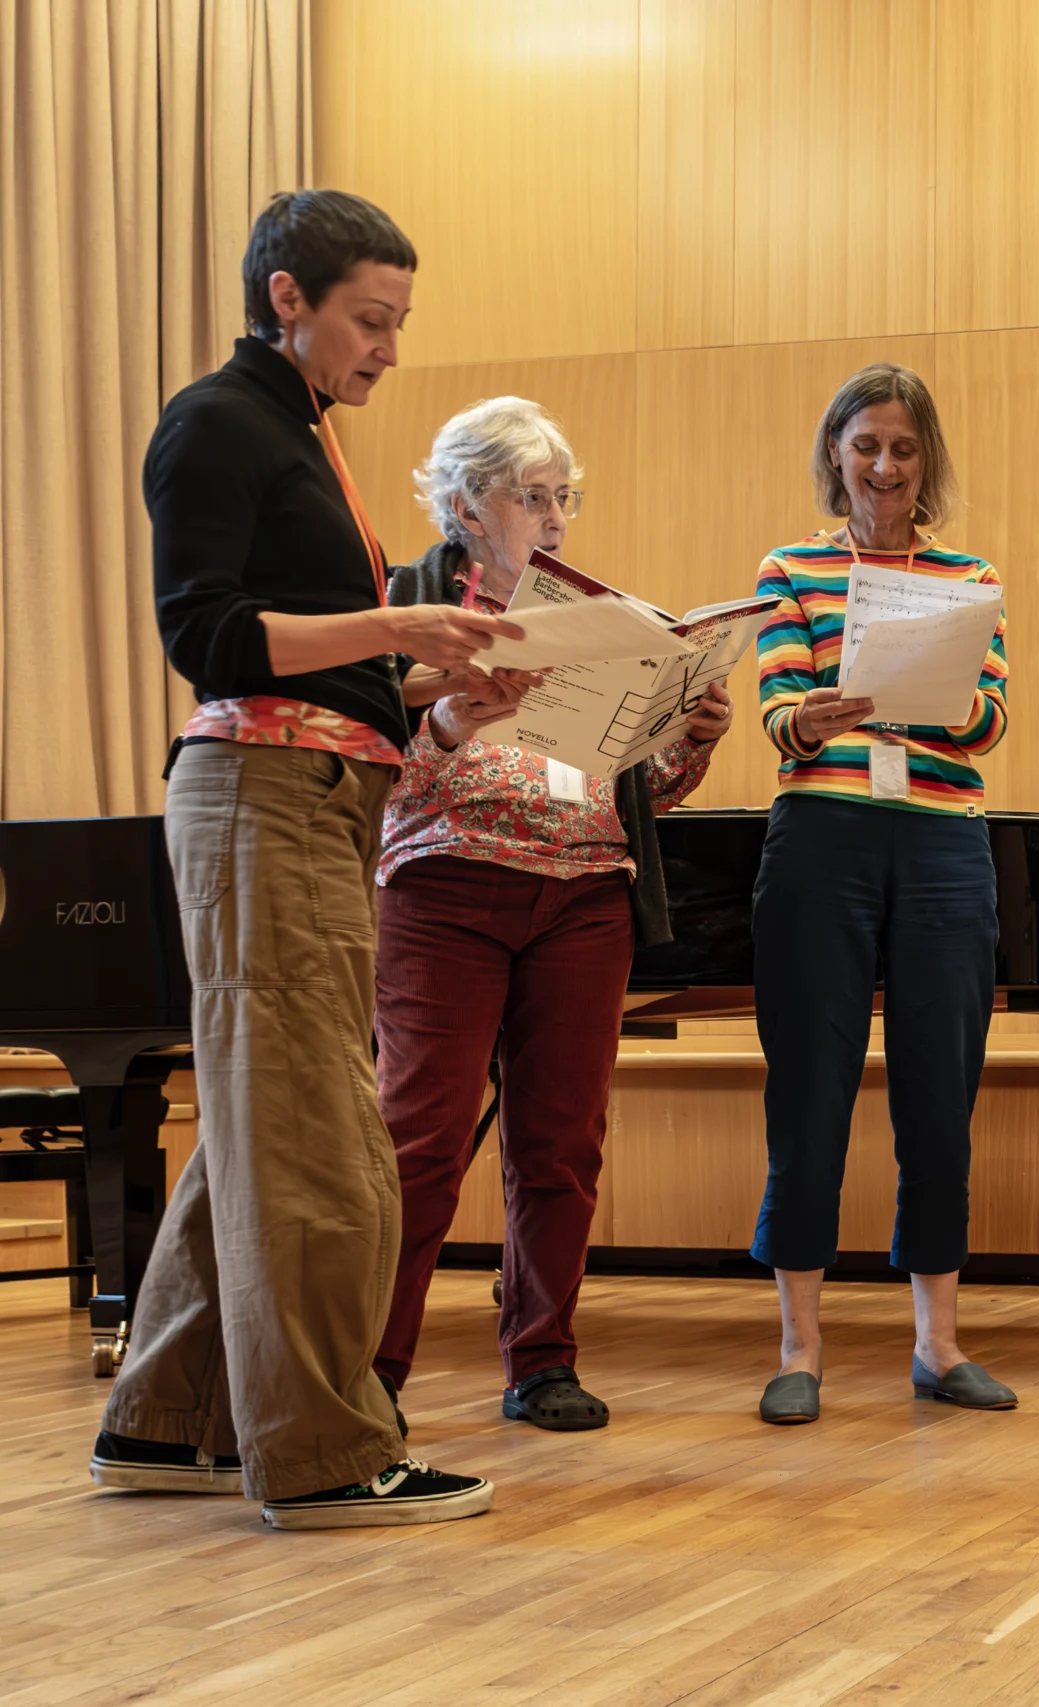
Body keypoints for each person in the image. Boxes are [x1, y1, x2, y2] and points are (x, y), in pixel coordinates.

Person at [91, 189, 511, 1529]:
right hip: (263, 789)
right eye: (368, 320)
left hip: (318, 791)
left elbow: (338, 662)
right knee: (319, 1129)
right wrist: (395, 622)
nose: (388, 347)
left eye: (397, 322)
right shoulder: (216, 422)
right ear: (289, 300)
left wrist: (434, 688)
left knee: (260, 1125)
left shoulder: (299, 436)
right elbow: (206, 633)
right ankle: (327, 1449)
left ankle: (164, 1421)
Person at [369, 398, 733, 1432]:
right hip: (443, 892)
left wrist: (689, 737)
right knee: (420, 1142)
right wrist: (440, 721)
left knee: (561, 1145)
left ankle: (542, 1361)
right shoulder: (397, 611)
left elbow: (644, 792)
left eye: (564, 497)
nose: (557, 519)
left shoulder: (611, 620)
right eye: (532, 497)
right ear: (463, 506)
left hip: (583, 898)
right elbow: (359, 783)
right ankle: (371, 1370)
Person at [748, 362, 1014, 1422]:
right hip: (823, 836)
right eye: (866, 444)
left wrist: (933, 705)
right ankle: (799, 1347)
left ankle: (937, 1343)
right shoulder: (791, 566)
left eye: (904, 447)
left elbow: (991, 717)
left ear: (925, 461)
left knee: (938, 1099)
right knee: (809, 1091)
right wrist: (814, 716)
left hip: (945, 842)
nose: (885, 464)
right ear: (836, 455)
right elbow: (775, 703)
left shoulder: (968, 572)